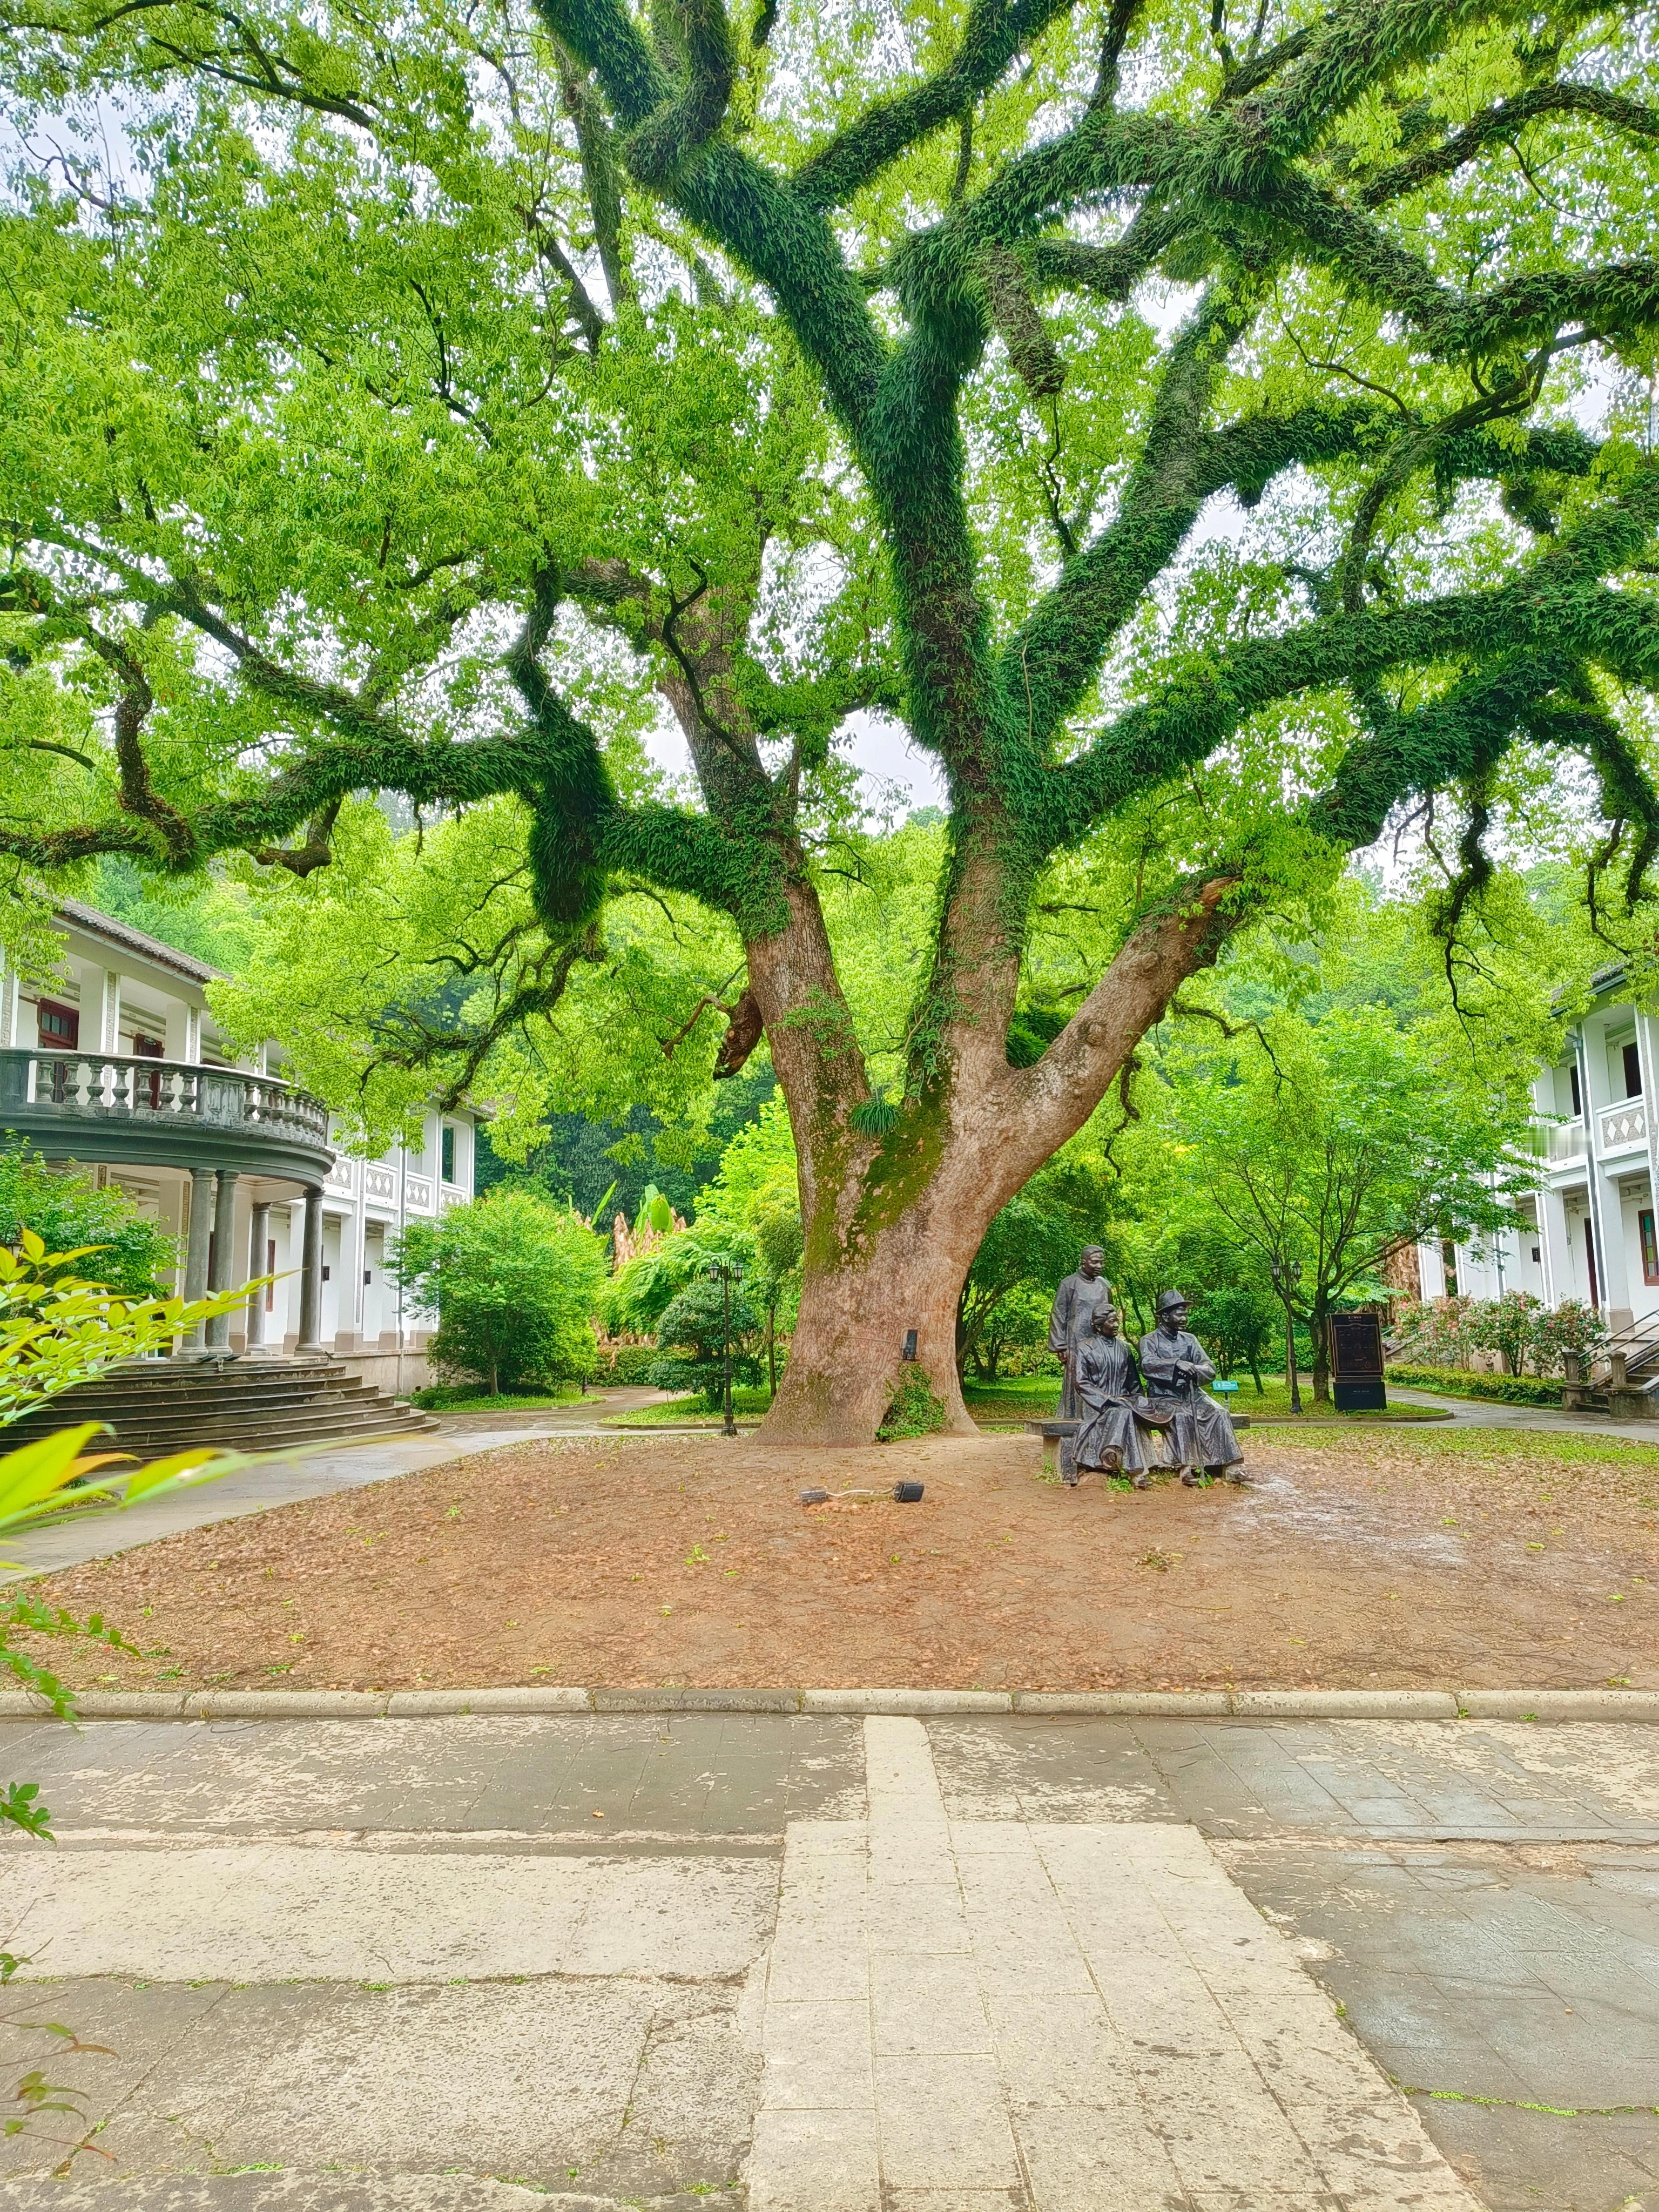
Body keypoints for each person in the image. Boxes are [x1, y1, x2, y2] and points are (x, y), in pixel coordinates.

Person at [1139, 1290, 1248, 1486]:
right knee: (1181, 1416)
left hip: (1192, 1393)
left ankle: (1230, 1467)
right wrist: (1175, 1364)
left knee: (1220, 1413)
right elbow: (1147, 1365)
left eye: (1185, 1314)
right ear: (1165, 1316)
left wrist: (1195, 1370)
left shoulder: (1189, 1340)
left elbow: (1209, 1367)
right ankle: (1186, 1468)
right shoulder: (1149, 1340)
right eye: (1179, 1314)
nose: (1184, 1318)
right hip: (1163, 1397)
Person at [1071, 1305, 1165, 1489]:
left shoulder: (1124, 1348)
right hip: (1096, 1405)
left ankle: (1115, 1454)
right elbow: (1081, 1383)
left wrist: (1139, 1401)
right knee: (1124, 1412)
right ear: (1098, 1326)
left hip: (1124, 1401)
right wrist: (1108, 1399)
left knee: (1128, 1411)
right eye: (1111, 1321)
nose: (1116, 1325)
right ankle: (1136, 1471)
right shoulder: (1084, 1348)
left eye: (1117, 1321)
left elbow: (1134, 1383)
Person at [1048, 1246, 1114, 1421]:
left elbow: (1111, 1312)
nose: (1099, 1265)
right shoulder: (1069, 1284)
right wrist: (1060, 1345)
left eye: (1102, 1262)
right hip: (1076, 1341)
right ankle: (1074, 1416)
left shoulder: (1105, 1286)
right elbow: (1058, 1314)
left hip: (1100, 1342)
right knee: (1078, 1378)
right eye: (1095, 1262)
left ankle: (1103, 1415)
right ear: (1084, 1262)